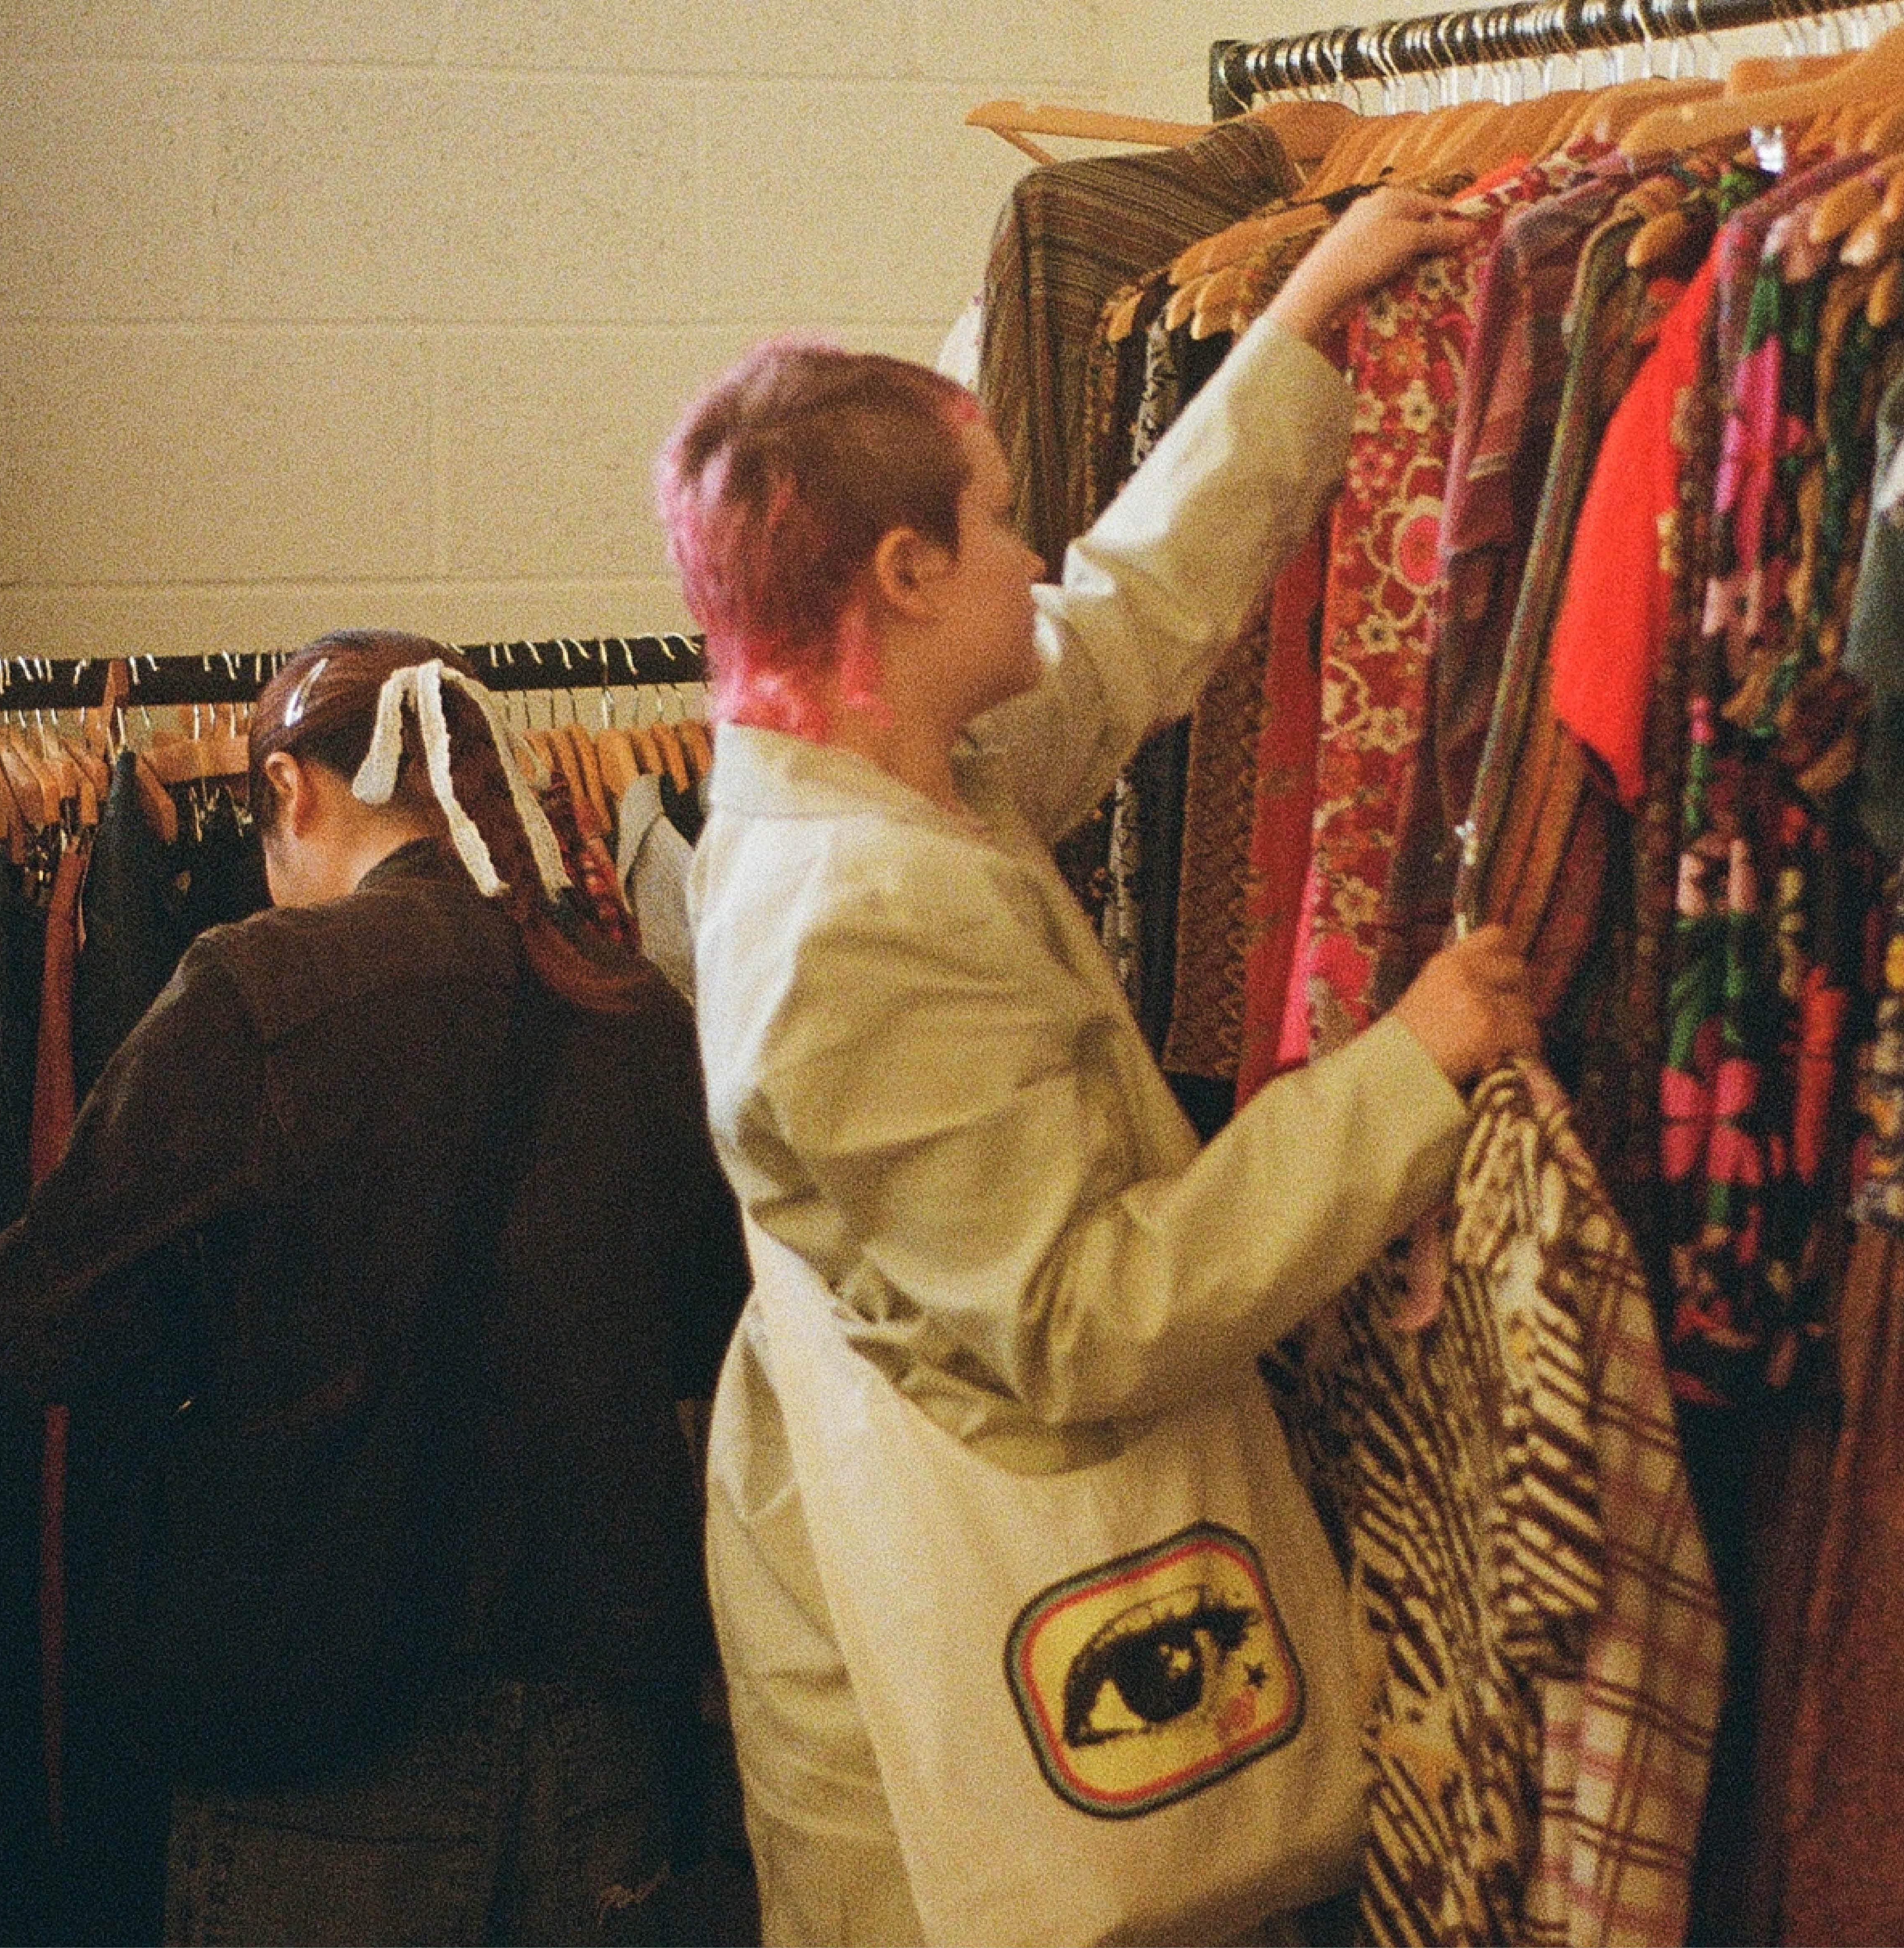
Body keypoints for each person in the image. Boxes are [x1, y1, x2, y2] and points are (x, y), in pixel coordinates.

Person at [669, 188, 1540, 1943]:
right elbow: (1088, 1311)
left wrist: (1301, 320)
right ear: (906, 576)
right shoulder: (851, 919)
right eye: (998, 522)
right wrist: (1408, 1071)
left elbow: (1123, 627)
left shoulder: (878, 762)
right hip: (941, 1683)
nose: (1031, 555)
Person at [0, 631, 750, 1946]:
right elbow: (707, 1329)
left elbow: (27, 1319)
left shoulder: (261, 989)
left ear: (286, 793)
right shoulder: (635, 1010)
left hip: (320, 1714)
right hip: (605, 1719)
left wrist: (221, 1331)